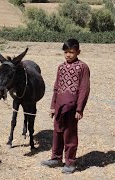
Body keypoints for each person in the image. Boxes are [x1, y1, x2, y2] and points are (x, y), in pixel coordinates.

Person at [41, 39, 90, 174]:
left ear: (78, 52)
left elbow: (84, 89)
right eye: (66, 52)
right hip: (59, 106)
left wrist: (80, 108)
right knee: (57, 132)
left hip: (72, 107)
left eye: (71, 52)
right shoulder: (61, 67)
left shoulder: (82, 67)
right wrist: (52, 106)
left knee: (70, 134)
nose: (68, 55)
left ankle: (70, 162)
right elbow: (56, 88)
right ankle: (56, 158)